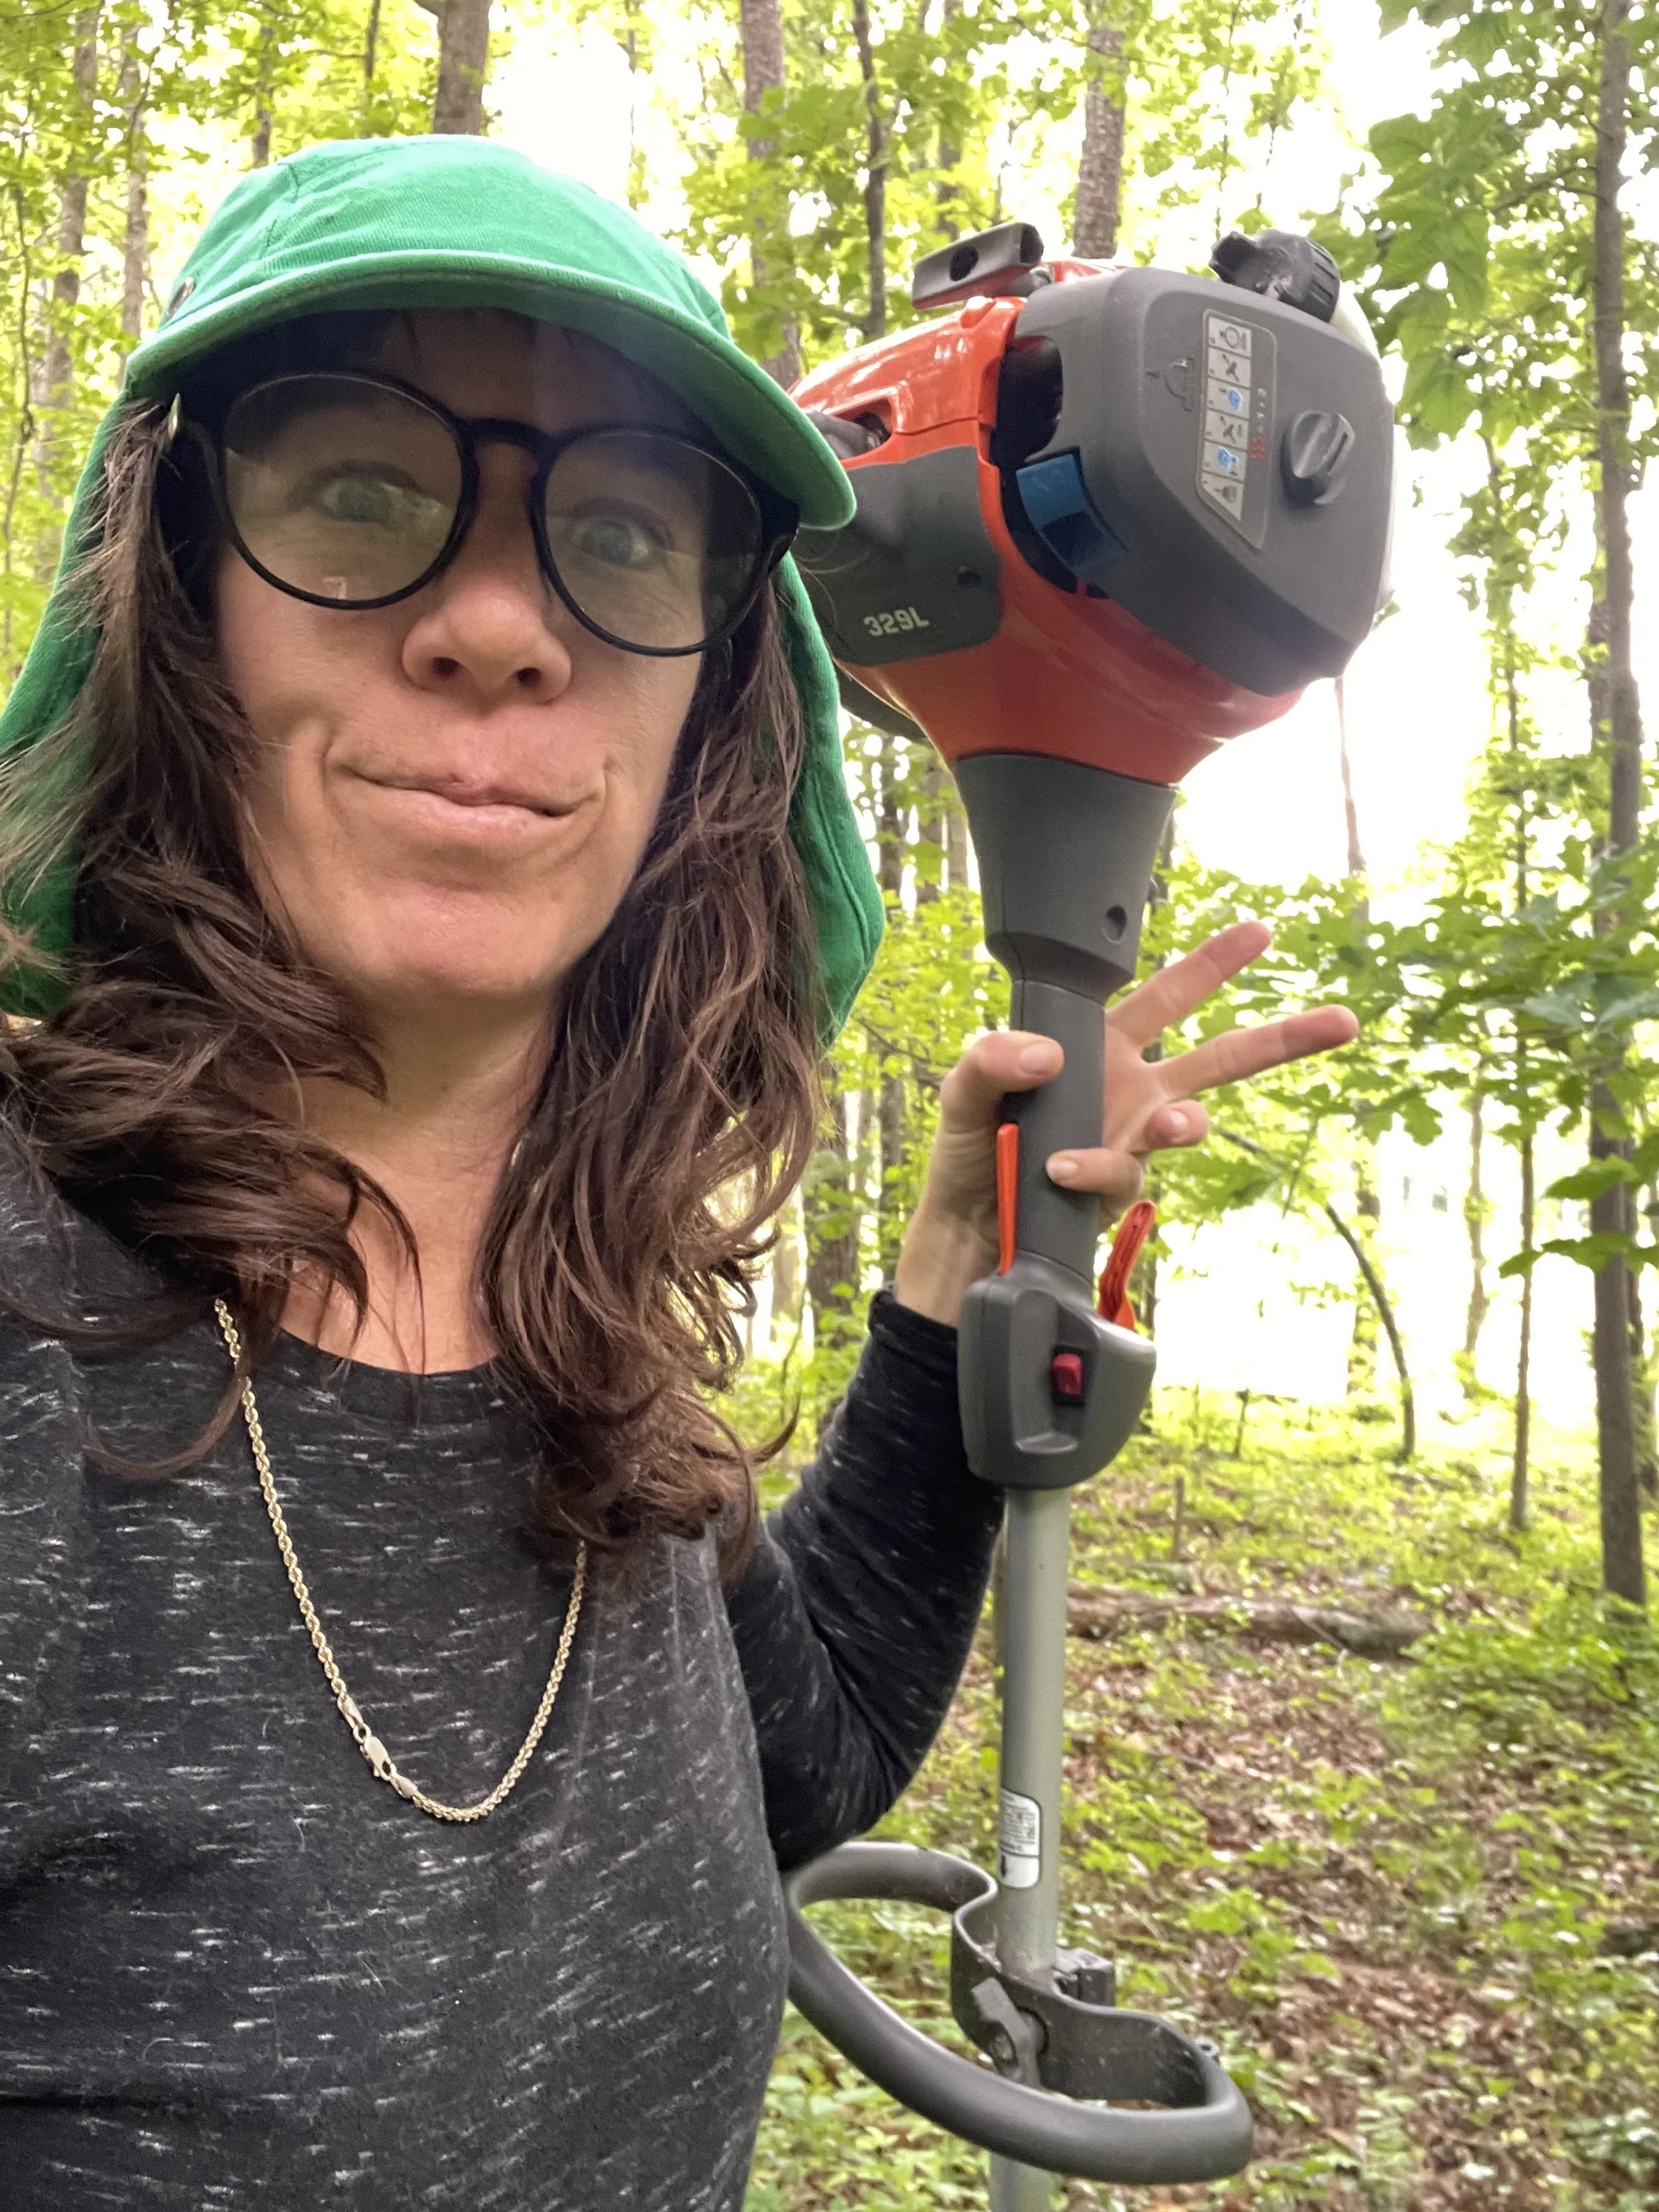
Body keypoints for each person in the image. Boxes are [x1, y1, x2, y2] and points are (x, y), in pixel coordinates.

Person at [0, 137, 1357, 2209]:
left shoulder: (584, 1342)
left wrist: (932, 1313)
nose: (490, 622)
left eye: (618, 533)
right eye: (359, 487)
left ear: (715, 708)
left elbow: (788, 1767)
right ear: (173, 588)